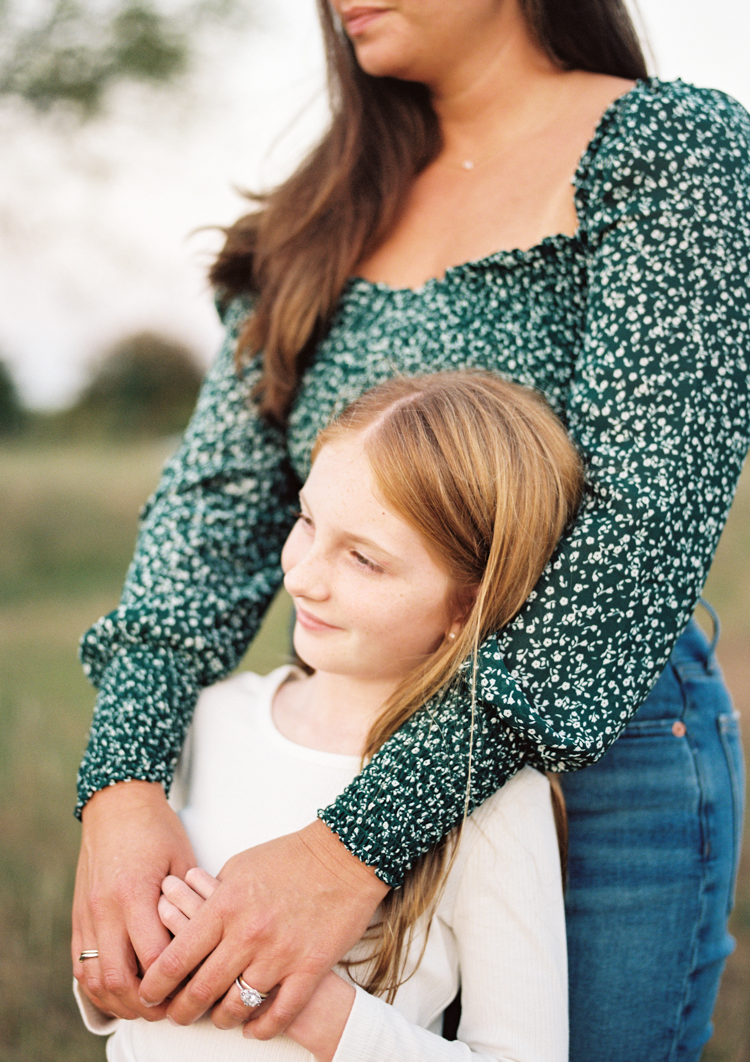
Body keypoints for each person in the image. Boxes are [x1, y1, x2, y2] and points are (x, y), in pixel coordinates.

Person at [72, 2, 750, 1060]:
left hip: (599, 767)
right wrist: (121, 786)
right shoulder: (325, 204)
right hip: (340, 727)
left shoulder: (667, 153)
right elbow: (207, 518)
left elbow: (631, 545)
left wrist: (350, 848)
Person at [74, 370, 580, 1061]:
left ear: (467, 605)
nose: (303, 576)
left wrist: (306, 1003)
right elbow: (119, 996)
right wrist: (120, 969)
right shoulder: (206, 720)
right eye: (308, 521)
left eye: (364, 560)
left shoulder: (489, 797)